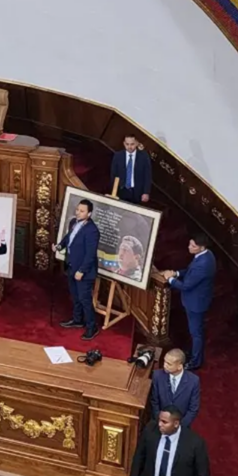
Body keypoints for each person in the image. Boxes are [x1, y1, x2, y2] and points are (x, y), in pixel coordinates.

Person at [162, 233, 216, 370]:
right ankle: (193, 353)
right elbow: (190, 271)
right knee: (195, 330)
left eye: (193, 246)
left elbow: (186, 286)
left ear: (202, 247)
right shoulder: (205, 255)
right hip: (197, 299)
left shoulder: (203, 264)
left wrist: (170, 279)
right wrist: (177, 273)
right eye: (190, 244)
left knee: (196, 333)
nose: (189, 247)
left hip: (196, 303)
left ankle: (195, 361)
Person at [130, 406, 210, 476]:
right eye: (159, 420)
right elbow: (139, 455)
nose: (159, 424)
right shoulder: (150, 430)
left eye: (164, 422)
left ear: (176, 424)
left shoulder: (195, 442)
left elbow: (202, 474)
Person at [57, 199, 100, 340]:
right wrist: (60, 246)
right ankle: (77, 319)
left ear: (89, 213)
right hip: (71, 266)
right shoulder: (73, 223)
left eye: (82, 211)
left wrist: (81, 271)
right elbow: (69, 237)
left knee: (85, 299)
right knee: (75, 296)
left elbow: (90, 254)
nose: (78, 213)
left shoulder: (92, 231)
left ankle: (92, 327)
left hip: (83, 272)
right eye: (77, 210)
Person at [149, 349, 200, 427]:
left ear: (179, 366)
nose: (164, 365)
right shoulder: (157, 376)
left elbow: (193, 408)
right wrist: (161, 421)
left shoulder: (193, 381)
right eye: (164, 361)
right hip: (159, 424)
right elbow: (154, 401)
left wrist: (179, 427)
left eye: (169, 364)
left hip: (181, 426)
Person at [109, 135, 152, 205]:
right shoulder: (118, 156)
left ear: (137, 143)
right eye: (127, 144)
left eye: (132, 144)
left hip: (137, 192)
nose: (129, 147)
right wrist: (113, 191)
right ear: (124, 143)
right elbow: (113, 174)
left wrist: (146, 192)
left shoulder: (143, 157)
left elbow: (147, 175)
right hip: (121, 191)